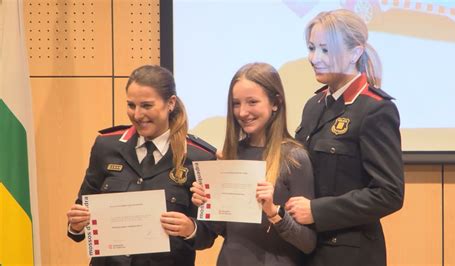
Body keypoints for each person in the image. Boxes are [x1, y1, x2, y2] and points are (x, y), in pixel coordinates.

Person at [285, 9, 405, 266]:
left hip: (349, 254)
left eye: (326, 50)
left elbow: (389, 193)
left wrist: (317, 211)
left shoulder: (375, 109)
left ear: (355, 52)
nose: (314, 58)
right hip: (306, 248)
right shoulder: (314, 104)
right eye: (311, 48)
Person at [65, 65, 216, 266]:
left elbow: (208, 234)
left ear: (170, 103)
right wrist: (76, 225)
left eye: (146, 106)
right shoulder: (106, 146)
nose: (137, 115)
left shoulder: (199, 157)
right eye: (131, 105)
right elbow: (81, 214)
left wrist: (190, 228)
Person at [189, 62, 316, 265]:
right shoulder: (228, 155)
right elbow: (221, 229)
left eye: (252, 102)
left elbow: (308, 242)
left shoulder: (295, 158)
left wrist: (274, 213)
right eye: (236, 103)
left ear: (275, 103)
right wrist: (207, 203)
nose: (242, 112)